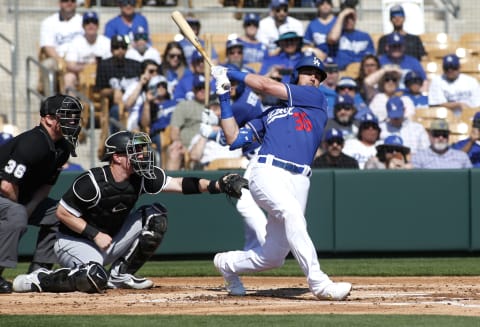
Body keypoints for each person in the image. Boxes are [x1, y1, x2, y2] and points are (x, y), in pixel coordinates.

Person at [11, 131, 248, 293]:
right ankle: (39, 279)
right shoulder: (92, 181)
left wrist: (218, 184)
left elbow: (180, 184)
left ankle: (121, 274)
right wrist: (94, 234)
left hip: (111, 239)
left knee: (156, 215)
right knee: (93, 277)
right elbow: (62, 213)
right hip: (73, 241)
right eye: (134, 151)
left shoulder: (141, 177)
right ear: (116, 156)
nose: (142, 156)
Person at [210, 56, 352, 300]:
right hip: (267, 172)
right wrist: (224, 98)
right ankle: (319, 283)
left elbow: (265, 86)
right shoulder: (271, 113)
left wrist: (232, 73)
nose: (314, 78)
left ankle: (226, 263)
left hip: (300, 179)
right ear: (296, 75)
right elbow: (234, 138)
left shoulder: (315, 99)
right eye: (308, 72)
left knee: (273, 256)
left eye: (318, 75)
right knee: (291, 213)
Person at [0, 94, 83, 293]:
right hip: (5, 192)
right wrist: (23, 210)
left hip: (17, 196)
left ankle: (39, 272)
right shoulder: (33, 142)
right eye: (66, 115)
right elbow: (6, 185)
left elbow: (45, 186)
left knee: (62, 214)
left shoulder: (62, 147)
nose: (72, 120)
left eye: (75, 116)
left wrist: (29, 208)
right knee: (16, 214)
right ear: (48, 118)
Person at [95, 34, 142, 132]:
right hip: (114, 105)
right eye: (116, 47)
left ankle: (143, 144)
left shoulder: (136, 65)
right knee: (116, 111)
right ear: (111, 49)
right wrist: (113, 91)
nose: (120, 50)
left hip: (135, 103)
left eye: (123, 47)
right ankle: (116, 142)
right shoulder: (104, 65)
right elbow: (100, 91)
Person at [39, 0, 83, 96]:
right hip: (59, 58)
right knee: (47, 64)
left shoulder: (83, 21)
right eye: (65, 0)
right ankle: (50, 100)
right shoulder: (49, 22)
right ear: (59, 3)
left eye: (72, 1)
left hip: (79, 59)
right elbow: (48, 46)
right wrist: (60, 61)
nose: (69, 3)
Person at [189, 96, 244, 169]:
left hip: (234, 170)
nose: (216, 113)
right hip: (210, 171)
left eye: (218, 109)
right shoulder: (201, 134)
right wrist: (206, 133)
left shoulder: (237, 131)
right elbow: (194, 156)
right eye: (211, 111)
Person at [63, 11, 112, 94]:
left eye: (94, 22)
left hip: (102, 75)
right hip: (80, 75)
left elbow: (111, 64)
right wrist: (88, 67)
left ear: (98, 25)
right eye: (87, 22)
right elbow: (70, 65)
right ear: (83, 26)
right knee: (69, 77)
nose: (91, 25)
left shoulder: (106, 42)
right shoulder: (76, 42)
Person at [167, 74, 207, 170]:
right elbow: (174, 130)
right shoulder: (184, 105)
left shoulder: (215, 105)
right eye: (199, 88)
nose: (202, 90)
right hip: (187, 147)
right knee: (174, 151)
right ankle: (169, 183)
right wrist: (178, 142)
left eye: (204, 88)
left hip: (209, 144)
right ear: (193, 90)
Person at [327, 5, 375, 70]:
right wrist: (341, 15)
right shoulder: (336, 34)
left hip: (361, 72)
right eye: (346, 18)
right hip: (341, 72)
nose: (349, 21)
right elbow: (332, 39)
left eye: (352, 18)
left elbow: (370, 59)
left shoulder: (365, 36)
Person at [139, 75, 177, 158]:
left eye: (163, 85)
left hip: (175, 131)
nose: (161, 87)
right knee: (162, 139)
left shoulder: (174, 103)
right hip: (156, 135)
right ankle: (164, 169)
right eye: (158, 85)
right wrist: (147, 103)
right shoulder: (147, 105)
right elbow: (144, 124)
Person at [122, 59, 160, 132]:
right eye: (151, 72)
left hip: (155, 119)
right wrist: (140, 84)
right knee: (138, 131)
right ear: (142, 73)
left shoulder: (161, 86)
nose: (154, 74)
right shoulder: (134, 86)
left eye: (156, 72)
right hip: (136, 122)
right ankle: (140, 143)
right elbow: (127, 105)